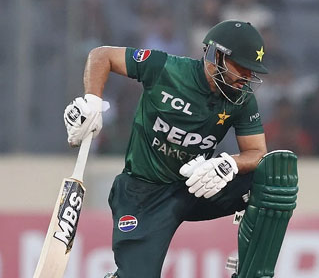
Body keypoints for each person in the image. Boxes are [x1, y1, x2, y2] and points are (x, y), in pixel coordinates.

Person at [62, 20, 298, 277]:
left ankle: (252, 272)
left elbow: (257, 153)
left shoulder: (242, 99)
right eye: (242, 68)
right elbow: (102, 55)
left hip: (198, 185)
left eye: (251, 72)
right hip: (144, 193)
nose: (247, 78)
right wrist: (92, 101)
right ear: (215, 55)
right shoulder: (165, 68)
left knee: (274, 176)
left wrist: (227, 164)